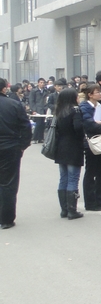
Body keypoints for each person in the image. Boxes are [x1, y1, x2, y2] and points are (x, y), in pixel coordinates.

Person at [0, 78, 32, 229]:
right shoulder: (14, 104)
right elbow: (25, 126)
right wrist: (22, 145)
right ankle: (6, 219)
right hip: (10, 147)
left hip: (10, 145)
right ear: (4, 89)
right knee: (8, 183)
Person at [79, 84, 101, 211]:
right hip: (91, 142)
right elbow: (90, 124)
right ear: (90, 95)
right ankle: (90, 202)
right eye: (97, 92)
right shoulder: (84, 107)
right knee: (91, 171)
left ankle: (100, 200)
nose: (100, 94)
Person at [53, 88, 85, 220]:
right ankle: (72, 210)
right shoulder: (75, 110)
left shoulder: (59, 111)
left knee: (63, 178)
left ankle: (64, 210)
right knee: (73, 179)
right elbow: (78, 128)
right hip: (73, 146)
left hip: (61, 147)